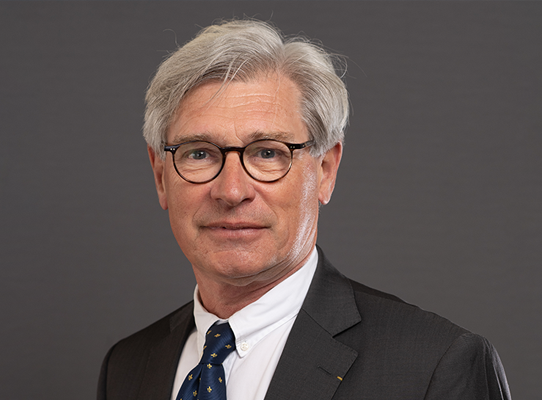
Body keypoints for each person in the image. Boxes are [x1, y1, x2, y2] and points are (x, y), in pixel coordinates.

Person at [97, 19, 511, 400]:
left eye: (267, 153)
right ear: (160, 175)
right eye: (199, 153)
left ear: (325, 171)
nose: (232, 190)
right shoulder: (127, 367)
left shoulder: (435, 365)